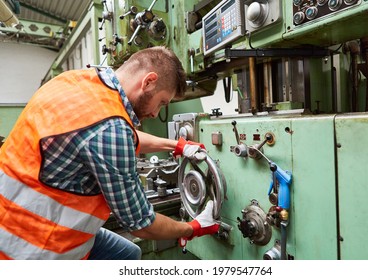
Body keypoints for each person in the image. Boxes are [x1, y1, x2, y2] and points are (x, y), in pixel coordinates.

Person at [0, 46, 220, 260]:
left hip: (11, 215)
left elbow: (110, 134)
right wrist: (194, 228)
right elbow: (141, 223)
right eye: (161, 103)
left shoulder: (76, 81)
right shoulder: (112, 129)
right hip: (31, 247)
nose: (155, 113)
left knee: (127, 253)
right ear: (149, 81)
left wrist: (177, 146)